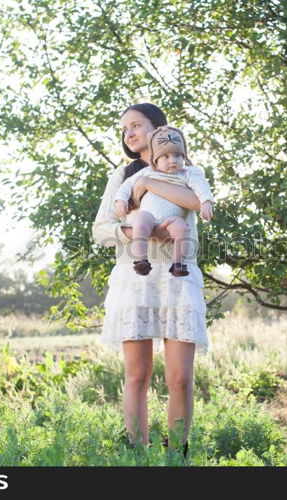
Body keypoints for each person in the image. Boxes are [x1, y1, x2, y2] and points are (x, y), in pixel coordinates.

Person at [91, 103, 210, 457]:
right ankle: (136, 456)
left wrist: (147, 181)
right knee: (138, 375)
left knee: (180, 378)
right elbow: (101, 231)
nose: (128, 133)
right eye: (124, 128)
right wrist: (133, 230)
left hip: (178, 277)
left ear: (159, 128)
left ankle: (177, 457)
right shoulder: (122, 175)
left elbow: (193, 201)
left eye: (136, 125)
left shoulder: (183, 167)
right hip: (136, 278)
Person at [113, 125, 214, 278]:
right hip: (150, 217)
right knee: (140, 220)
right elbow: (127, 185)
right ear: (155, 160)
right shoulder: (148, 172)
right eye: (165, 157)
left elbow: (201, 187)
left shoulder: (189, 173)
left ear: (184, 157)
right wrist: (120, 200)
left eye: (177, 156)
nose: (172, 161)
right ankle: (141, 260)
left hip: (171, 220)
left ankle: (178, 264)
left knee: (182, 229)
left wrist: (206, 202)